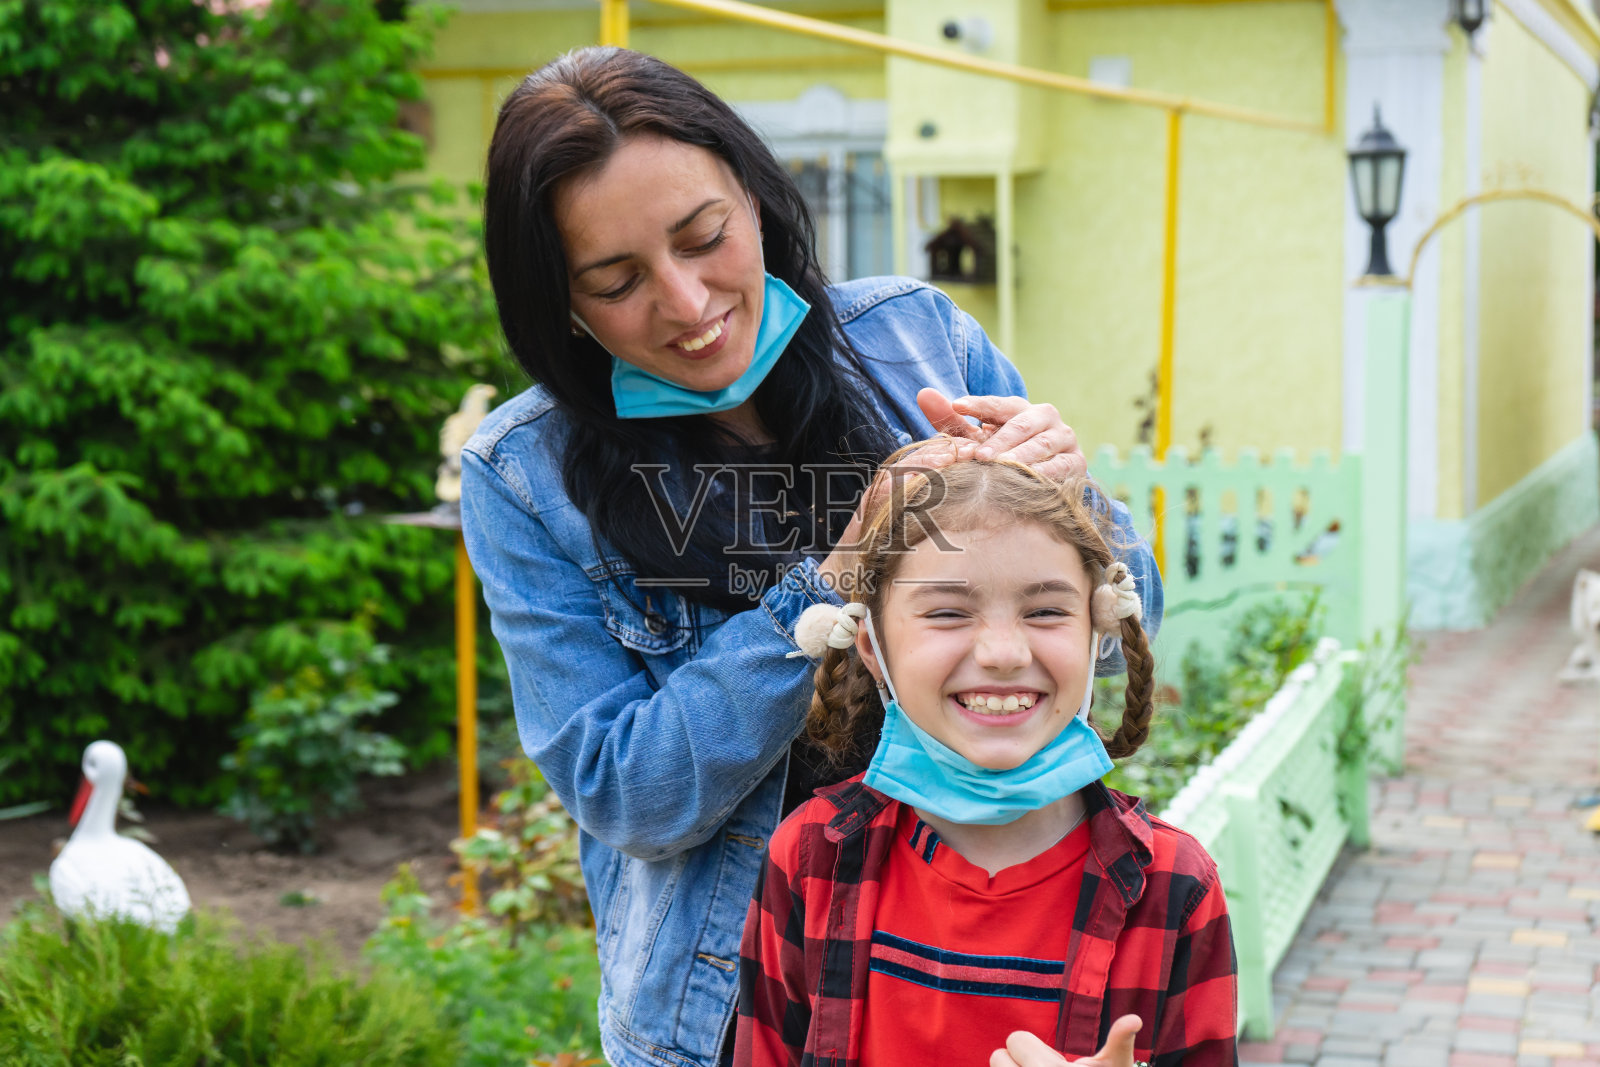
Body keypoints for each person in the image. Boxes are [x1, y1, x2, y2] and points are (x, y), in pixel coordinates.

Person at [461, 45, 1165, 1067]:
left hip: (996, 976)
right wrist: (831, 582)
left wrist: (1076, 502)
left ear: (755, 200)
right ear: (559, 305)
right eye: (617, 281)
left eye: (704, 238)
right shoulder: (525, 475)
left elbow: (1117, 641)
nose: (688, 302)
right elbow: (628, 793)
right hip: (732, 1015)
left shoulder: (916, 340)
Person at [735, 446, 1236, 1067]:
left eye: (1047, 611)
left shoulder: (1175, 888)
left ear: (1098, 629)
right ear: (872, 645)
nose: (1003, 653)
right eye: (947, 612)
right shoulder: (809, 858)